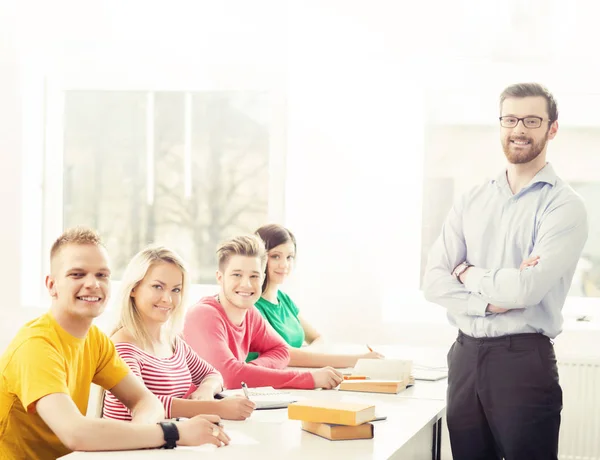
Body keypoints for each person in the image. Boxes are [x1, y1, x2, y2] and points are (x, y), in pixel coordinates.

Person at [423, 83, 588, 460]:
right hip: (464, 357)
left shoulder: (564, 206)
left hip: (522, 362)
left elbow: (524, 291)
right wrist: (488, 303)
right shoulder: (472, 199)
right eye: (510, 119)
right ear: (500, 125)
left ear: (552, 129)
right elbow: (433, 281)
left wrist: (465, 273)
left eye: (532, 120)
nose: (519, 129)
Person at [0, 228, 229, 460]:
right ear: (51, 285)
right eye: (77, 274)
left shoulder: (95, 340)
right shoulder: (35, 346)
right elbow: (75, 433)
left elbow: (146, 401)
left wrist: (145, 435)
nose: (93, 284)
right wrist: (172, 433)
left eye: (102, 275)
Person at [103, 245, 255, 421]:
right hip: (129, 445)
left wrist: (205, 389)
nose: (167, 299)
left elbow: (213, 375)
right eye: (157, 287)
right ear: (133, 289)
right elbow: (145, 403)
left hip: (163, 441)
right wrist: (216, 408)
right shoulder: (122, 347)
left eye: (176, 290)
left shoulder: (173, 342)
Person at [183, 234, 344, 390]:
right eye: (237, 275)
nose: (246, 284)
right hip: (182, 413)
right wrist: (309, 378)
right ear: (220, 277)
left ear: (262, 278)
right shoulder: (203, 315)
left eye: (254, 276)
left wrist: (248, 369)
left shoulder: (250, 313)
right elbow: (228, 377)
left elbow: (281, 351)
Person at [251, 224, 383, 367]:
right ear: (260, 258)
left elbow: (319, 338)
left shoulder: (284, 300)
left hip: (294, 378)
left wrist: (307, 355)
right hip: (263, 385)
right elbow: (284, 354)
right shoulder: (251, 305)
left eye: (289, 257)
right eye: (276, 256)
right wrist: (356, 360)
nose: (284, 264)